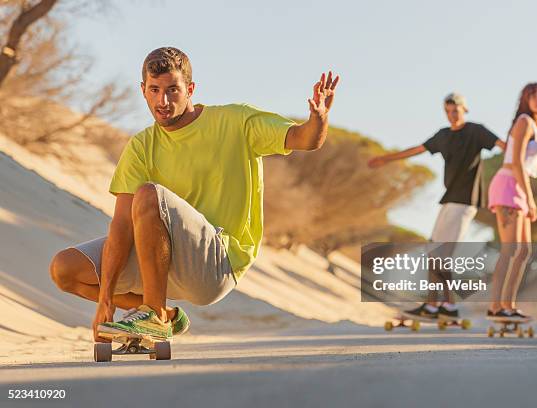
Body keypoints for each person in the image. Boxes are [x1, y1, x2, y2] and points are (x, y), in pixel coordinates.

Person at [49, 47, 340, 342]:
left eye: (173, 90)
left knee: (148, 194)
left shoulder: (235, 121)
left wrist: (319, 120)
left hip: (215, 263)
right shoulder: (142, 146)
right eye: (155, 90)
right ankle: (163, 314)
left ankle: (153, 313)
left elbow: (305, 139)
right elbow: (122, 225)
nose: (163, 101)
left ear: (190, 89)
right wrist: (106, 301)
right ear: (143, 91)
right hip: (160, 260)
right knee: (65, 269)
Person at [369, 93, 504, 321]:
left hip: (465, 201)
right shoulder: (443, 136)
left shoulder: (476, 131)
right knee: (434, 251)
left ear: (465, 109)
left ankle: (446, 306)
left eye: (456, 111)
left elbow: (504, 146)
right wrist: (386, 159)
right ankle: (435, 306)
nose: (452, 115)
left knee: (443, 253)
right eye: (448, 111)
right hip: (448, 199)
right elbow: (417, 150)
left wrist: (531, 159)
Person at [487, 83, 537, 320]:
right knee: (510, 250)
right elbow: (516, 162)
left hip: (517, 184)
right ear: (525, 101)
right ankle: (496, 307)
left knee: (523, 251)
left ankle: (508, 305)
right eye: (533, 96)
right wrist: (530, 200)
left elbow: (521, 156)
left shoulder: (535, 127)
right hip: (509, 185)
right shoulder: (524, 122)